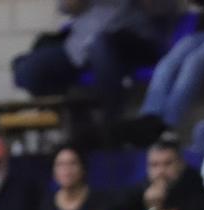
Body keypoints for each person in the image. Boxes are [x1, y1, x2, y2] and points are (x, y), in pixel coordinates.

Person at [12, 0, 179, 125]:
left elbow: (163, 8)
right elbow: (66, 7)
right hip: (80, 45)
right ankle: (76, 119)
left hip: (133, 40)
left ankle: (111, 125)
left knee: (100, 47)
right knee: (27, 69)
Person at [134, 0, 204, 137]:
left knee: (195, 62)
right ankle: (150, 117)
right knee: (168, 63)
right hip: (203, 31)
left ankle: (167, 127)